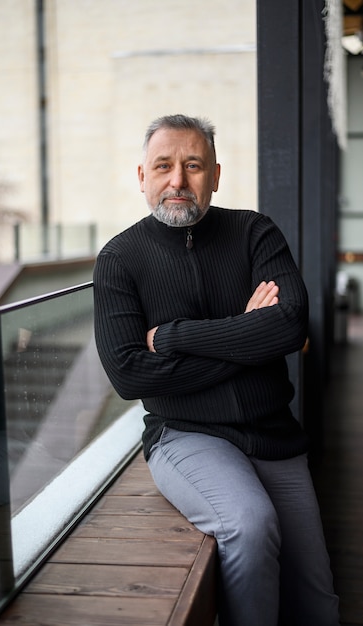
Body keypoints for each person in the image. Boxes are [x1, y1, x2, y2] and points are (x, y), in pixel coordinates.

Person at [93, 114, 339, 626]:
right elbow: (129, 375)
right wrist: (246, 339)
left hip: (275, 436)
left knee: (318, 606)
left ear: (216, 175)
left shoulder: (255, 232)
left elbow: (288, 326)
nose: (178, 180)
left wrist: (173, 336)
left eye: (193, 165)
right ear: (142, 176)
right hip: (185, 436)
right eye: (163, 166)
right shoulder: (119, 259)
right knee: (249, 525)